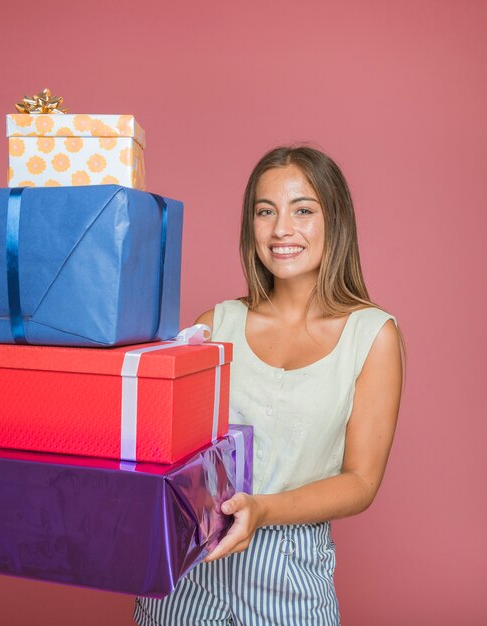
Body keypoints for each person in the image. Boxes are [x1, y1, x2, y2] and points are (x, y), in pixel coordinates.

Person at [134, 146, 404, 626]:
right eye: (265, 211)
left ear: (334, 221)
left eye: (303, 210)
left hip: (291, 565)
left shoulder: (373, 336)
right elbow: (166, 450)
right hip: (192, 559)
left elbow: (361, 482)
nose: (281, 229)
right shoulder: (215, 325)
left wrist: (263, 509)